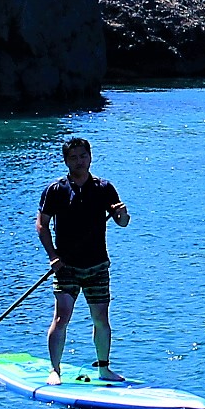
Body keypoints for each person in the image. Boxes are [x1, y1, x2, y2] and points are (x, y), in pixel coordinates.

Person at [37, 137, 130, 382]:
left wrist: (122, 215)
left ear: (90, 157)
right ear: (66, 161)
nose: (79, 162)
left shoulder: (104, 188)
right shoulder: (56, 190)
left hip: (97, 264)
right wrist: (53, 257)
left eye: (83, 156)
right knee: (62, 317)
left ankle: (103, 368)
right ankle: (55, 370)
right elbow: (42, 226)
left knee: (101, 319)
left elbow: (122, 222)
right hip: (66, 266)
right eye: (74, 157)